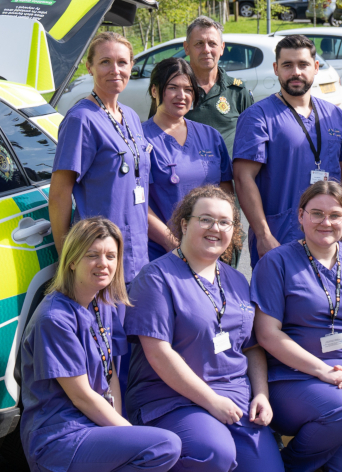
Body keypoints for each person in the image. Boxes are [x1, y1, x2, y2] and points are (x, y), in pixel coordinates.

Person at [124, 186, 289, 472]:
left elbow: (252, 346)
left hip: (233, 397)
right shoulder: (156, 278)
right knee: (213, 453)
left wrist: (261, 394)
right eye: (206, 219)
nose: (216, 228)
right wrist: (211, 401)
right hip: (173, 398)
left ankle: (213, 469)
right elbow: (158, 354)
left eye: (225, 223)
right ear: (184, 224)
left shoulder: (236, 280)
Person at [20, 218, 180, 472]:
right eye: (93, 255)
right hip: (60, 440)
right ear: (73, 259)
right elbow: (82, 398)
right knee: (164, 445)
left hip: (96, 433)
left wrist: (119, 442)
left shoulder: (100, 303)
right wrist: (125, 437)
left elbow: (109, 377)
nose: (103, 264)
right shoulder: (55, 318)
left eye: (111, 256)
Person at [251, 180, 342, 472]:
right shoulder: (276, 262)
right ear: (300, 216)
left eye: (335, 215)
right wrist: (321, 371)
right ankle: (293, 464)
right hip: (293, 379)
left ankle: (322, 442)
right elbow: (267, 334)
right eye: (316, 213)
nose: (325, 222)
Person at [234, 35, 342, 265]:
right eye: (287, 65)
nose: (296, 72)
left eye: (303, 64)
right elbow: (243, 178)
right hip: (279, 237)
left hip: (330, 234)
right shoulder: (258, 117)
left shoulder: (334, 115)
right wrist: (263, 235)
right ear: (275, 69)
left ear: (315, 67)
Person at [51, 32, 150, 283]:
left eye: (122, 62)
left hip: (136, 255)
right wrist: (67, 258)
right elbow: (60, 194)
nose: (114, 70)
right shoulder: (81, 119)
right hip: (98, 260)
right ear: (90, 67)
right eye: (105, 62)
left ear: (131, 66)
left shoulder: (131, 116)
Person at [142, 58, 233, 261]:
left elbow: (225, 189)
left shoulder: (210, 136)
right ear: (155, 91)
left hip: (210, 248)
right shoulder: (140, 139)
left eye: (188, 89)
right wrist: (174, 245)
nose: (181, 96)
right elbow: (138, 203)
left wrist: (223, 236)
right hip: (161, 253)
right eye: (172, 87)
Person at [182, 16, 254, 155]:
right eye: (199, 43)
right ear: (186, 48)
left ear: (222, 48)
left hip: (228, 176)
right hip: (185, 175)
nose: (206, 50)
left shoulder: (237, 91)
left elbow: (252, 138)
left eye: (212, 43)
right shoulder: (174, 90)